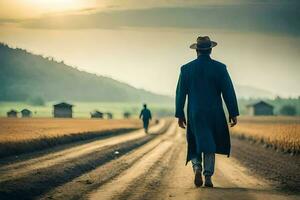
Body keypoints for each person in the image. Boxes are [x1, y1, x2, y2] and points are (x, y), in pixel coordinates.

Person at [175, 36, 239, 188]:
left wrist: (180, 114)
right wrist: (233, 112)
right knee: (210, 143)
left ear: (196, 51)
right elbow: (228, 91)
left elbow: (180, 94)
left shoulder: (186, 69)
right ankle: (208, 175)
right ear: (210, 50)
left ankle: (197, 167)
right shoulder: (220, 68)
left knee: (195, 140)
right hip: (214, 113)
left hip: (195, 112)